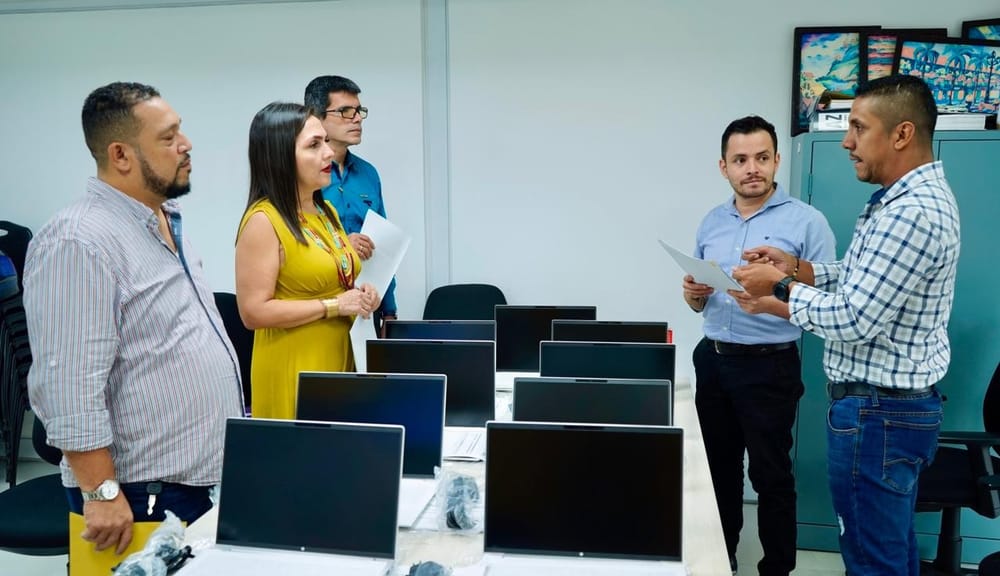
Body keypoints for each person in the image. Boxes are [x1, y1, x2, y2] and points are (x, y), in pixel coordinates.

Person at [732, 75, 959, 576]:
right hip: (886, 412)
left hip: (879, 415)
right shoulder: (899, 201)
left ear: (901, 134)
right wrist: (797, 269)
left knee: (873, 560)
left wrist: (778, 289)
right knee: (889, 550)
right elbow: (859, 279)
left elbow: (854, 317)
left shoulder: (911, 213)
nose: (846, 141)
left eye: (858, 127)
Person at [23, 82, 244, 555]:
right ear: (121, 155)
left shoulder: (163, 218)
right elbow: (67, 384)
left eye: (180, 130)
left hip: (192, 481)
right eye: (168, 137)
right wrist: (100, 493)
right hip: (139, 493)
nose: (186, 144)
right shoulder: (78, 240)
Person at [683, 115, 835, 575]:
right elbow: (699, 303)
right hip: (713, 360)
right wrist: (693, 294)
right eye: (741, 160)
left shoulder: (806, 221)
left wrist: (774, 294)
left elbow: (827, 296)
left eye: (762, 158)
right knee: (717, 473)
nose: (752, 168)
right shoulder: (712, 221)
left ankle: (777, 569)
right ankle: (721, 560)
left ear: (776, 161)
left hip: (769, 366)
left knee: (770, 475)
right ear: (724, 166)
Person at [235, 102, 379, 420]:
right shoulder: (264, 220)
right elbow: (253, 312)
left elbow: (335, 279)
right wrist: (335, 305)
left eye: (325, 141)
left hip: (339, 359)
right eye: (314, 145)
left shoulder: (325, 211)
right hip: (295, 364)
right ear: (280, 157)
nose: (328, 153)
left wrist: (361, 294)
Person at [304, 75, 397, 335]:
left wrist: (389, 311)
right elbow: (292, 243)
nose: (357, 119)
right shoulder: (302, 175)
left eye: (358, 111)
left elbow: (383, 249)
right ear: (316, 116)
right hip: (320, 308)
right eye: (345, 111)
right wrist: (343, 246)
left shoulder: (368, 174)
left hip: (366, 308)